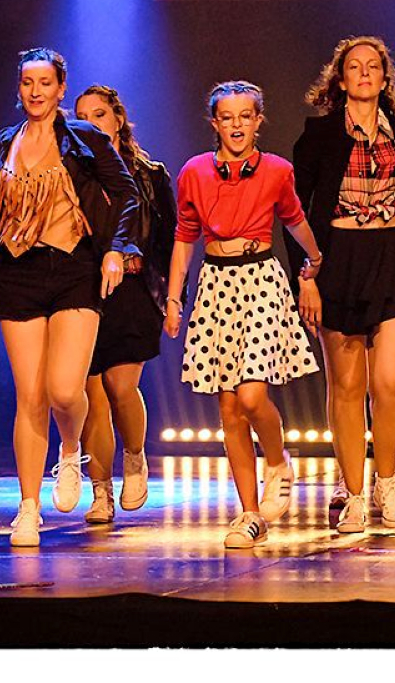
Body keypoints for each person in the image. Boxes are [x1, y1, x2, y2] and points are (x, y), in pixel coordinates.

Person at [0, 47, 142, 548]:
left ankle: (70, 449)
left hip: (74, 269)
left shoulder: (84, 139)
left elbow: (127, 193)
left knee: (65, 391)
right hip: (19, 274)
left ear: (60, 88)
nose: (35, 91)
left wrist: (116, 249)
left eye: (45, 83)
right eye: (28, 83)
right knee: (29, 395)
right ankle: (28, 508)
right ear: (19, 88)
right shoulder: (1, 146)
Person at [164, 81, 323, 548]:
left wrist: (315, 259)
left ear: (258, 121)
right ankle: (250, 514)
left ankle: (277, 461)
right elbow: (184, 237)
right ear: (214, 123)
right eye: (227, 117)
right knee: (229, 408)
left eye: (245, 116)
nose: (236, 125)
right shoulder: (194, 171)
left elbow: (294, 219)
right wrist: (174, 299)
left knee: (252, 396)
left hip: (260, 281)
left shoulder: (276, 170)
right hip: (216, 284)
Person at [292, 36, 395, 534]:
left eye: (373, 65)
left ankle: (386, 482)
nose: (364, 73)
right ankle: (354, 495)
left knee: (392, 381)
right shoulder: (319, 134)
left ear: (384, 77)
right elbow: (296, 212)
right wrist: (306, 276)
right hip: (339, 260)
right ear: (340, 78)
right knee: (348, 386)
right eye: (354, 66)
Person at [73, 84, 175, 526]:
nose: (90, 124)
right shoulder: (70, 172)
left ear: (118, 119)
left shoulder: (150, 175)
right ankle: (100, 491)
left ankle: (134, 457)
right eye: (80, 117)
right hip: (82, 290)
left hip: (134, 290)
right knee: (91, 394)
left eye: (99, 114)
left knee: (119, 387)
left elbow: (170, 240)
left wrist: (172, 298)